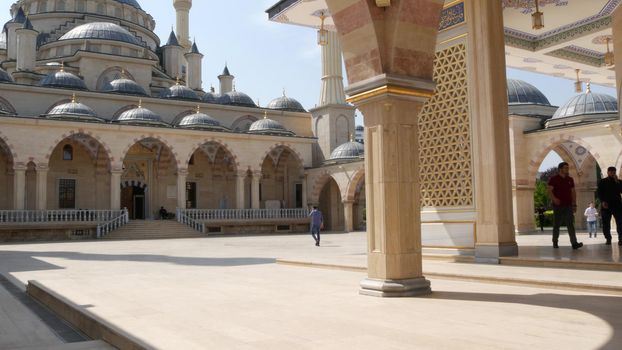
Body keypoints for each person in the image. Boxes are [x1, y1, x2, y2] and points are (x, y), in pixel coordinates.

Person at [547, 162, 583, 249]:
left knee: (570, 224)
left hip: (568, 205)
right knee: (557, 224)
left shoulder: (570, 179)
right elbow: (549, 191)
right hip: (558, 205)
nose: (567, 169)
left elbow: (573, 192)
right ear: (560, 169)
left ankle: (574, 243)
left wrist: (574, 204)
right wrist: (554, 199)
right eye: (565, 168)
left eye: (568, 167)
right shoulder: (553, 179)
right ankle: (555, 241)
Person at [597, 166, 622, 246]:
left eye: (614, 172)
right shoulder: (602, 181)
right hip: (606, 206)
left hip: (617, 205)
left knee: (620, 223)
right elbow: (600, 193)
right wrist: (603, 201)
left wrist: (617, 182)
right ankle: (608, 238)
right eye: (611, 172)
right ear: (608, 172)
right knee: (606, 224)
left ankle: (621, 239)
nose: (612, 173)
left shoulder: (619, 181)